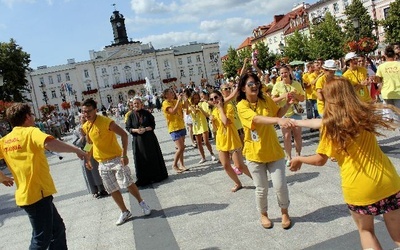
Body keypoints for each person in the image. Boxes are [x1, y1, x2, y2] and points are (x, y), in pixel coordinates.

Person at [289, 77, 400, 250]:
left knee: (366, 231)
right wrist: (297, 122)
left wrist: (298, 158)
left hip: (358, 188)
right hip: (388, 180)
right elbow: (319, 122)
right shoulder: (364, 113)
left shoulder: (331, 127)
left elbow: (320, 160)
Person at [0, 103, 87, 249]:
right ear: (27, 117)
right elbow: (51, 144)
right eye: (32, 115)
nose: (33, 117)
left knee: (57, 229)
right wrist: (77, 150)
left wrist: (1, 177)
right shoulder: (31, 132)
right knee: (41, 239)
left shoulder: (5, 140)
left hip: (29, 194)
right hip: (37, 194)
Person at [236, 72, 295, 229]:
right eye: (250, 84)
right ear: (243, 88)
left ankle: (284, 212)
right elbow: (256, 119)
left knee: (280, 185)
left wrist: (287, 105)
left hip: (274, 150)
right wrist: (278, 120)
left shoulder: (265, 99)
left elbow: (277, 113)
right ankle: (263, 215)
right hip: (254, 154)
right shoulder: (241, 106)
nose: (254, 85)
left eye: (256, 82)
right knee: (261, 189)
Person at [81, 99, 151, 226]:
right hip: (102, 162)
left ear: (95, 110)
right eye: (84, 112)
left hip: (116, 158)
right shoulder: (86, 126)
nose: (86, 114)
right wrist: (87, 158)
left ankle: (141, 202)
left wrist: (124, 154)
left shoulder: (106, 122)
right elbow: (89, 143)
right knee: (111, 188)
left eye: (89, 111)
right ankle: (124, 211)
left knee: (128, 182)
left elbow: (124, 135)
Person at [209, 90, 252, 192]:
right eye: (212, 99)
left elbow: (226, 122)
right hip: (221, 141)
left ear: (220, 97)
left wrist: (220, 109)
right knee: (225, 165)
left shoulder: (228, 107)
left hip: (232, 140)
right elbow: (216, 129)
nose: (214, 100)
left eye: (216, 97)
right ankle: (238, 183)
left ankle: (256, 179)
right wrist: (212, 120)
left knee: (239, 165)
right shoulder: (214, 111)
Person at [125, 97, 168, 187]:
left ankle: (156, 176)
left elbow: (153, 125)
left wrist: (146, 129)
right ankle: (144, 178)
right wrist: (136, 130)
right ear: (132, 105)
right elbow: (128, 128)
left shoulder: (147, 113)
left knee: (152, 156)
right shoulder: (130, 115)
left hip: (149, 138)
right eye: (134, 103)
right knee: (141, 158)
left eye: (137, 103)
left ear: (141, 104)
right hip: (138, 140)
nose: (136, 105)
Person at [271, 65, 305, 163]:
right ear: (279, 74)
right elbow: (273, 100)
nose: (284, 75)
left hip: (295, 113)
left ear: (289, 72)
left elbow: (303, 98)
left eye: (285, 72)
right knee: (286, 136)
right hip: (284, 113)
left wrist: (296, 95)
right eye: (281, 73)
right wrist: (282, 97)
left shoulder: (296, 84)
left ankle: (298, 155)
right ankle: (289, 157)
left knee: (297, 135)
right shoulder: (277, 85)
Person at [73, 114, 107, 198]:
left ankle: (102, 189)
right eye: (82, 118)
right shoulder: (77, 130)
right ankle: (94, 191)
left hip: (93, 152)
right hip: (84, 153)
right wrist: (82, 136)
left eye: (85, 117)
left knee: (97, 171)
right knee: (89, 173)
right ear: (79, 120)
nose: (84, 119)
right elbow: (76, 143)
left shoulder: (92, 126)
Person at [161, 88, 189, 173]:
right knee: (180, 148)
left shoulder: (174, 101)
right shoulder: (165, 103)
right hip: (174, 128)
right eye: (170, 92)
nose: (172, 93)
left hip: (181, 125)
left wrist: (184, 98)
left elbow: (185, 107)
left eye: (172, 92)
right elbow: (172, 111)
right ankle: (174, 165)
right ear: (166, 95)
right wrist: (178, 101)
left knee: (182, 148)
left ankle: (182, 164)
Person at [187, 91, 217, 164]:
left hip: (203, 124)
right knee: (199, 142)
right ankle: (203, 157)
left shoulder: (202, 104)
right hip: (196, 126)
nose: (196, 99)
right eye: (194, 98)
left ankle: (212, 154)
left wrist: (200, 109)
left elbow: (207, 114)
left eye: (197, 98)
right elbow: (189, 112)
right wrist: (189, 105)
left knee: (206, 141)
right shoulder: (191, 106)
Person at [375, 45, 400, 120]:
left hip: (387, 93)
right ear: (394, 55)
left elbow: (378, 80)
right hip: (398, 93)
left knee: (389, 117)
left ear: (385, 55)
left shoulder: (381, 66)